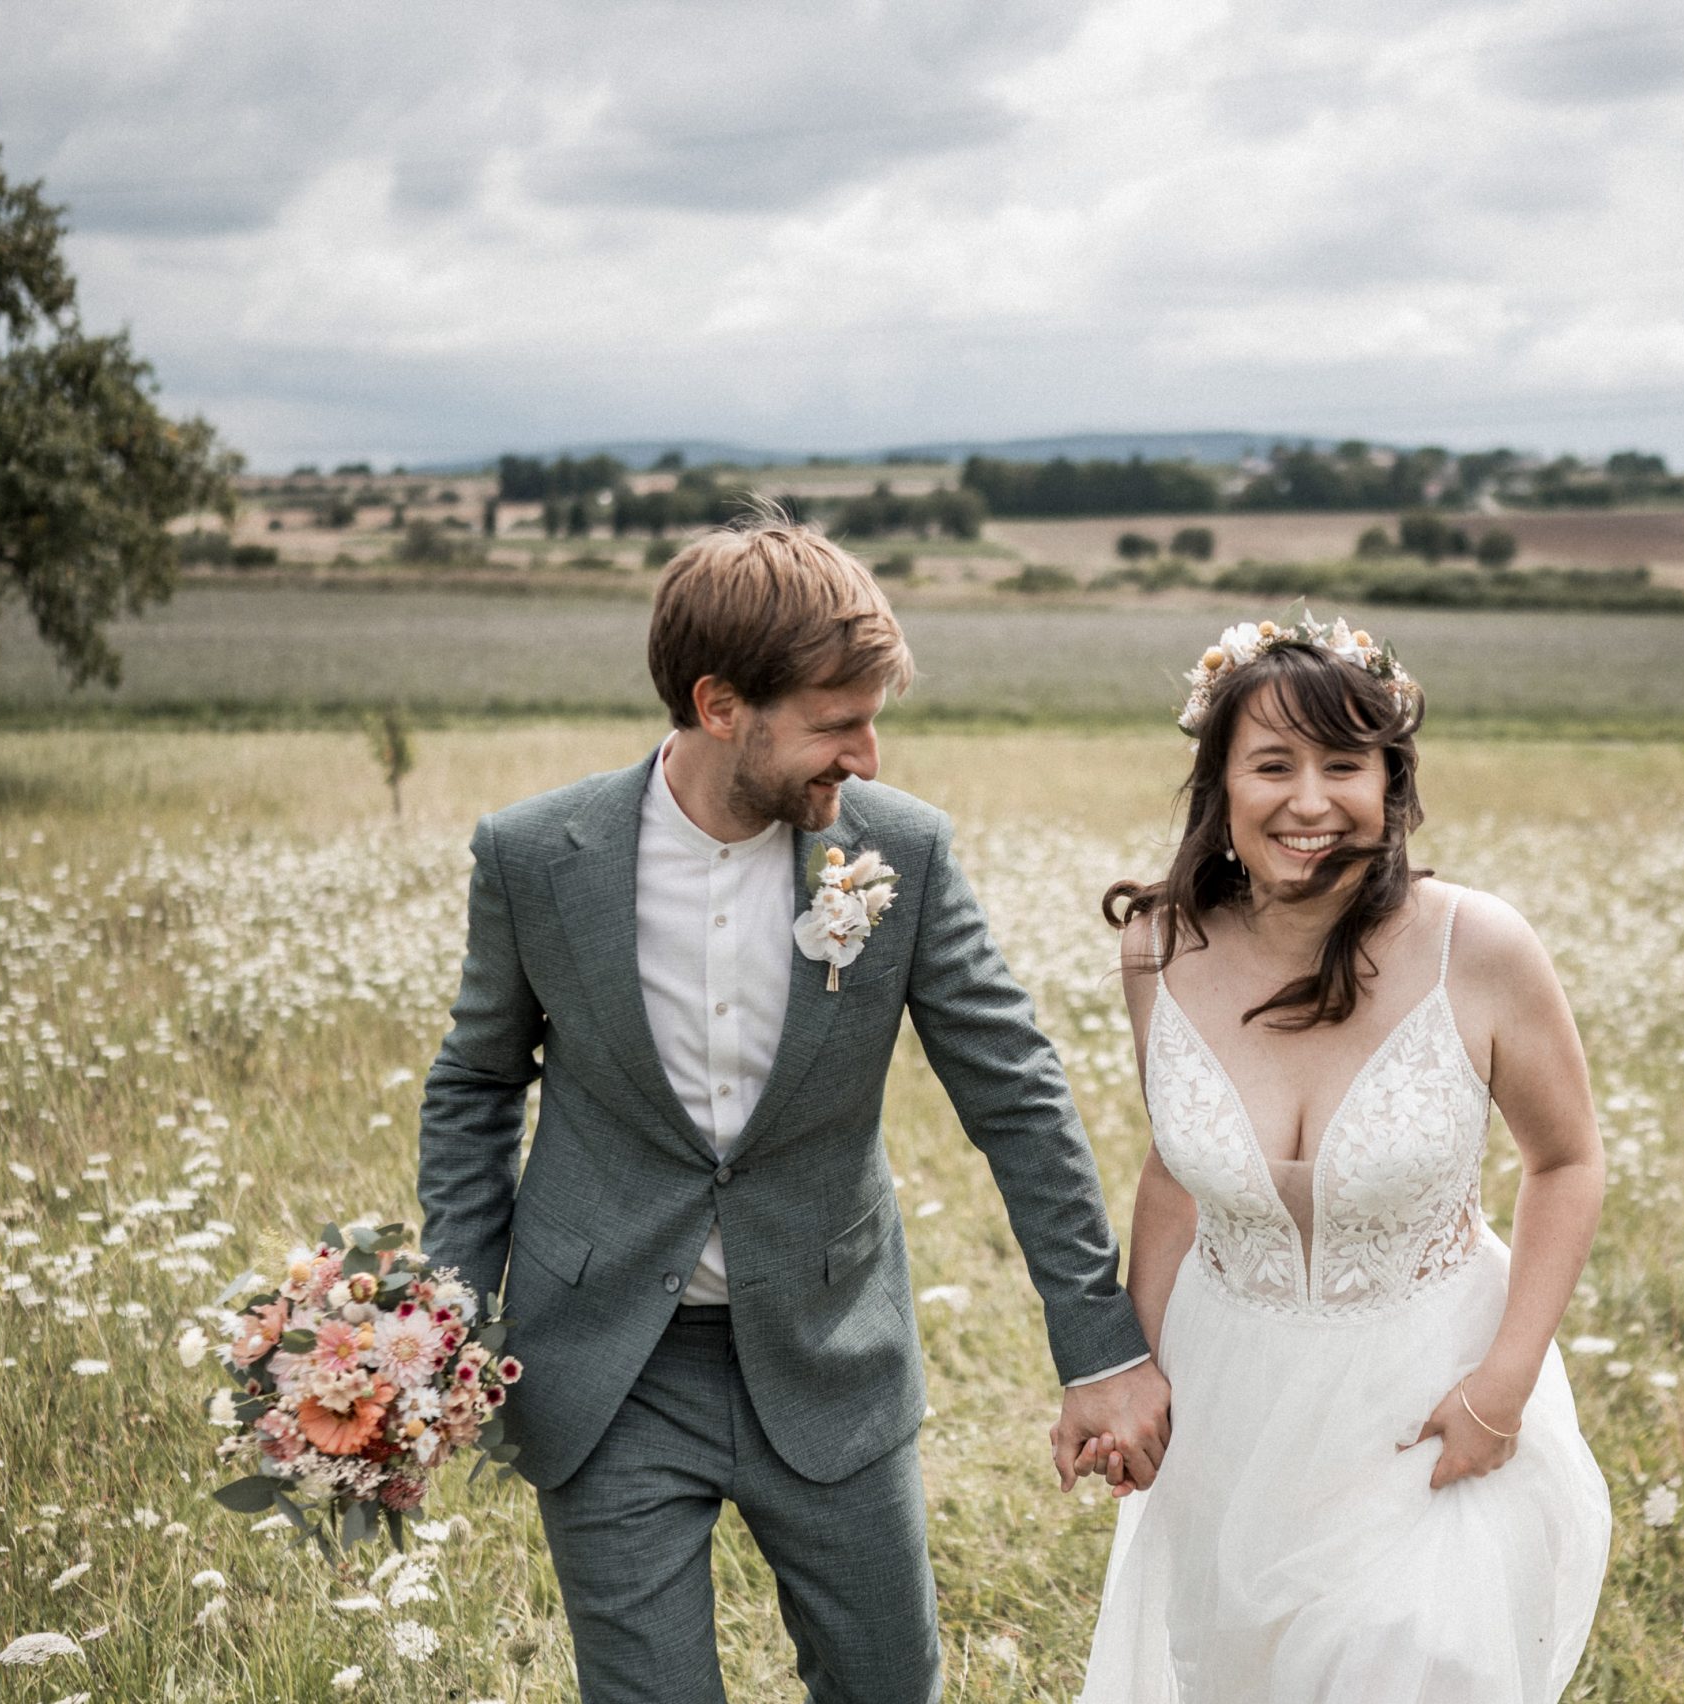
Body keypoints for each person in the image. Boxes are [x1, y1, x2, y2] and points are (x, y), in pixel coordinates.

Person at [416, 517, 1171, 1704]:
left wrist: (1100, 1347)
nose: (866, 756)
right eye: (835, 723)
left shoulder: (902, 855)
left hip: (830, 1357)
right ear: (721, 706)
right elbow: (473, 1084)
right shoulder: (532, 858)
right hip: (607, 1368)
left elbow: (1015, 1095)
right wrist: (441, 1324)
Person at [1078, 611, 1612, 1701]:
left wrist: (1501, 1388)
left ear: (1391, 786)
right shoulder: (1159, 949)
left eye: (1345, 765)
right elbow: (1174, 1169)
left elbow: (1566, 1163)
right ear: (1220, 788)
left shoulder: (1482, 947)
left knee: (1409, 1664)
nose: (1310, 800)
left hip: (1429, 1402)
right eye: (1272, 764)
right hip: (1234, 1400)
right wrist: (1139, 1371)